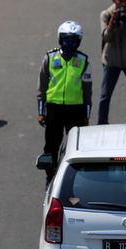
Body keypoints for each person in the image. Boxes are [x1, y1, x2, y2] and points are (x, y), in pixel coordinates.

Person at [37, 20, 92, 184]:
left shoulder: (84, 61)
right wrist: (41, 112)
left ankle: (76, 179)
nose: (70, 43)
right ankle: (50, 178)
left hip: (76, 110)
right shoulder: (49, 57)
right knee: (51, 146)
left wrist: (86, 116)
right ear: (60, 39)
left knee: (77, 147)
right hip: (54, 109)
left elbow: (88, 91)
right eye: (67, 39)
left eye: (74, 40)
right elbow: (42, 87)